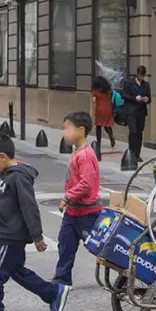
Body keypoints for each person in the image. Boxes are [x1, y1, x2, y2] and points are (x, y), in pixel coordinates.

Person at [0, 132, 70, 311]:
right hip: (8, 234)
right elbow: (5, 190)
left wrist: (37, 236)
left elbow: (29, 207)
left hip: (8, 236)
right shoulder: (8, 176)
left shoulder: (18, 178)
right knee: (17, 271)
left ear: (3, 157)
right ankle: (52, 293)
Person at [52, 111, 103, 288]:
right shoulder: (77, 153)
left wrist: (67, 196)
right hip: (73, 211)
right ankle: (62, 277)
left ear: (81, 130)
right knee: (65, 243)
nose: (64, 132)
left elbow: (86, 184)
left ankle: (125, 270)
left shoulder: (86, 155)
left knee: (100, 247)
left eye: (67, 128)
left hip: (87, 212)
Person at [120, 66, 151, 162]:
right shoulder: (129, 83)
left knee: (139, 133)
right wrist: (134, 98)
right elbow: (123, 95)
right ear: (137, 74)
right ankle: (132, 152)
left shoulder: (146, 85)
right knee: (133, 132)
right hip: (131, 111)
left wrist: (147, 99)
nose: (142, 77)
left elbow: (150, 98)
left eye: (143, 76)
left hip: (141, 112)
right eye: (140, 75)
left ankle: (137, 154)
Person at [91, 76, 116, 156]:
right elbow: (111, 98)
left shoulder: (95, 91)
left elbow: (94, 101)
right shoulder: (108, 91)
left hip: (100, 110)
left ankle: (98, 143)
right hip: (108, 109)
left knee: (99, 126)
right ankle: (111, 136)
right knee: (107, 125)